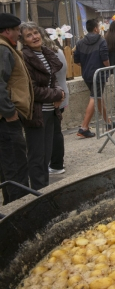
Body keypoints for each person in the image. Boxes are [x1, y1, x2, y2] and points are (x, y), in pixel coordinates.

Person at [20, 22, 64, 191]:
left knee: (46, 155)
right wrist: (57, 94)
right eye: (29, 35)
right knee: (37, 157)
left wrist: (59, 91)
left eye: (35, 33)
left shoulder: (45, 53)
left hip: (50, 111)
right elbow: (32, 90)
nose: (34, 37)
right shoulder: (25, 56)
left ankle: (44, 190)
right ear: (24, 40)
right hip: (36, 113)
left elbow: (54, 81)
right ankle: (38, 192)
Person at [0, 13, 33, 204]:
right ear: (7, 31)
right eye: (17, 30)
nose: (19, 33)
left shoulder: (6, 48)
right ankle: (18, 210)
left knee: (9, 168)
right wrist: (9, 112)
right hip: (7, 121)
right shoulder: (3, 49)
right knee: (16, 169)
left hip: (7, 119)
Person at [73, 19, 113, 138]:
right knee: (95, 97)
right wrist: (109, 68)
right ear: (96, 29)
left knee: (98, 97)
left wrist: (86, 66)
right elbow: (105, 59)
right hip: (99, 74)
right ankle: (84, 127)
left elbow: (77, 60)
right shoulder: (101, 41)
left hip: (87, 74)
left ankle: (108, 122)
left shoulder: (80, 43)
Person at [41, 31, 68, 175]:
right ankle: (57, 162)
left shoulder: (47, 54)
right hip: (61, 94)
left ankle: (57, 164)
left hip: (55, 96)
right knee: (56, 131)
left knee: (54, 132)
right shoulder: (57, 50)